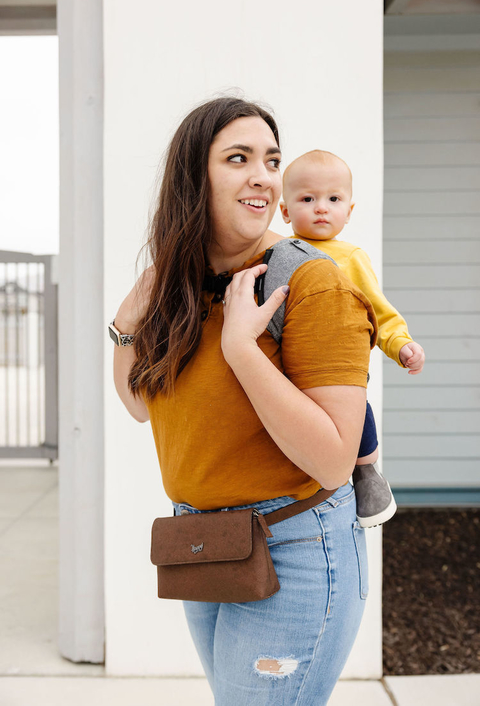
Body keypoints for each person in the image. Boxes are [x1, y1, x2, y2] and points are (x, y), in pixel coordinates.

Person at [111, 98, 377, 705]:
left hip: (295, 546)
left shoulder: (310, 282)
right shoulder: (179, 282)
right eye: (239, 158)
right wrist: (126, 325)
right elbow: (141, 406)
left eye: (272, 159)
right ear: (192, 177)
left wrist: (243, 350)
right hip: (207, 547)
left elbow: (335, 461)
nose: (263, 175)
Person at [280, 149, 425, 529]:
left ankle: (366, 475)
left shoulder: (350, 258)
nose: (321, 208)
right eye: (307, 199)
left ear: (350, 209)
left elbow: (379, 311)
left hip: (340, 368)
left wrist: (400, 344)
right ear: (284, 211)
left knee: (354, 410)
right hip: (291, 366)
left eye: (333, 199)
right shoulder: (278, 254)